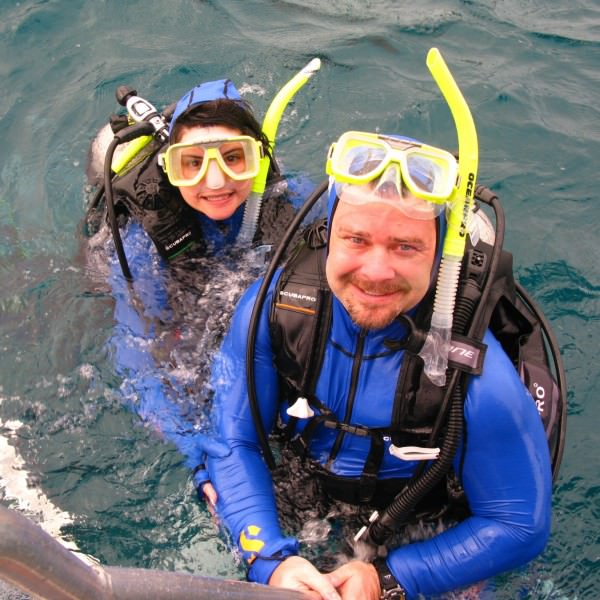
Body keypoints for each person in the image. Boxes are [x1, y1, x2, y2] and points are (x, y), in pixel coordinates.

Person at [204, 127, 559, 599]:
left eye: (405, 246)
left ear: (440, 257)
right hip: (300, 487)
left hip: (421, 524)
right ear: (329, 234)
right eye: (356, 239)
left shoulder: (479, 381)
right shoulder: (275, 310)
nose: (375, 272)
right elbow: (233, 441)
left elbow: (518, 524)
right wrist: (268, 556)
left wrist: (393, 578)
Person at [84, 70, 318, 496]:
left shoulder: (292, 204)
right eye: (192, 163)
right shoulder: (141, 239)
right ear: (169, 168)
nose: (215, 182)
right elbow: (135, 354)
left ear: (259, 158)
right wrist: (195, 448)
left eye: (234, 157)